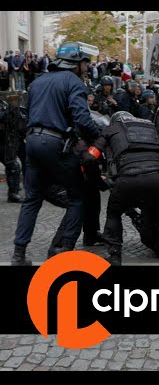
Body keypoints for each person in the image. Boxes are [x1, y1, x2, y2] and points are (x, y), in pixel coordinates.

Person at [11, 42, 101, 265]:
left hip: (31, 141)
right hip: (55, 142)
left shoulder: (37, 81)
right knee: (78, 197)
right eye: (84, 63)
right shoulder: (74, 82)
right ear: (76, 63)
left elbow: (28, 112)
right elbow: (82, 118)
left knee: (32, 199)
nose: (87, 67)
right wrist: (100, 135)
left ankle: (18, 254)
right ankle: (62, 248)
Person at [85, 111, 159, 267]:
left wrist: (97, 181)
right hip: (158, 177)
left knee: (114, 213)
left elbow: (90, 157)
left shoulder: (111, 129)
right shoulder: (149, 126)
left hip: (127, 179)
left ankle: (115, 256)